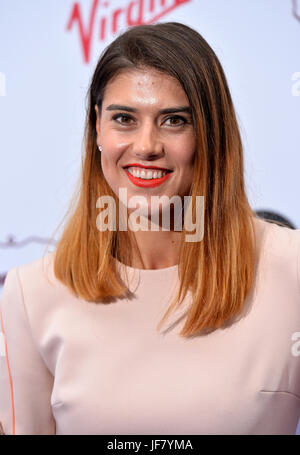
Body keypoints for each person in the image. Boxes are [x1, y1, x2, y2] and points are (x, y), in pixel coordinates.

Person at [0, 21, 300, 436]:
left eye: (174, 121)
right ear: (98, 128)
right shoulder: (31, 295)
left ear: (211, 133)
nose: (146, 146)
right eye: (124, 118)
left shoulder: (292, 270)